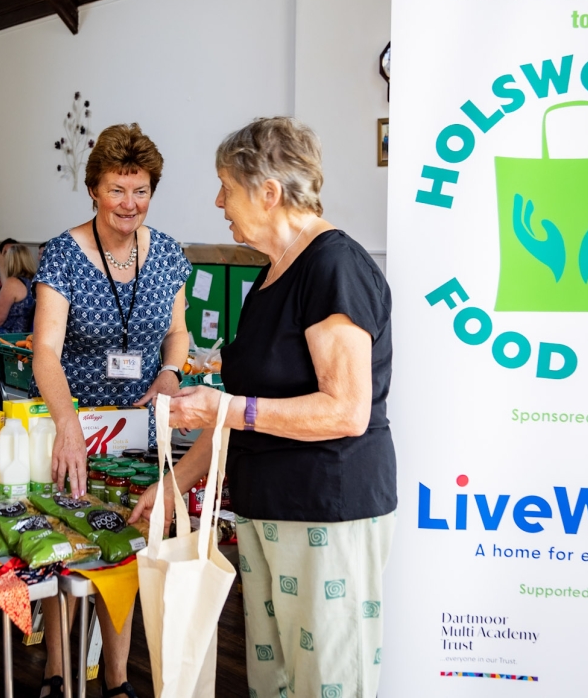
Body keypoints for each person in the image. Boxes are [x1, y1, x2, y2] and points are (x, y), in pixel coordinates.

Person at [131, 117, 396, 698]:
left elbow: (346, 410)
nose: (218, 201)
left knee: (327, 684)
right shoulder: (272, 273)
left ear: (268, 191)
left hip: (324, 512)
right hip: (265, 513)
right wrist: (175, 483)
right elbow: (233, 410)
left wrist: (228, 408)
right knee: (273, 685)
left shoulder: (334, 267)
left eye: (226, 185)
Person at [33, 123, 191, 698]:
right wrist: (68, 425)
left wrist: (172, 371)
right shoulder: (65, 253)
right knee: (66, 546)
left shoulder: (169, 253)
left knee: (123, 550)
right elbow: (44, 349)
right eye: (117, 190)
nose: (130, 204)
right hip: (74, 423)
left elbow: (178, 332)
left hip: (138, 435)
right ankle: (56, 671)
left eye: (141, 190)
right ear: (94, 190)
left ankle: (118, 680)